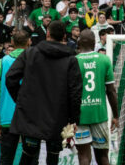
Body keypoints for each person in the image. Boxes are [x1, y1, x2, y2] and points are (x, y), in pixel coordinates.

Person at [6, 20, 83, 165]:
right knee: (53, 157)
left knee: (28, 154)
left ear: (47, 33)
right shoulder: (71, 59)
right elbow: (75, 92)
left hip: (31, 114)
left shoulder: (30, 53)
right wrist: (74, 119)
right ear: (64, 36)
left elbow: (10, 78)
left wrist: (21, 101)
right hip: (58, 116)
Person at [75, 30, 120, 165]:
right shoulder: (104, 59)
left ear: (78, 43)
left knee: (83, 156)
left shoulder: (73, 61)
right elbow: (111, 91)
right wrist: (116, 115)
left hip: (80, 116)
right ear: (95, 42)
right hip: (99, 115)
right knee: (103, 157)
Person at [0, 30, 29, 165]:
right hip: (30, 118)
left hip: (7, 117)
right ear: (29, 42)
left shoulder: (1, 63)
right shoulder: (35, 60)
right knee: (31, 158)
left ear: (12, 43)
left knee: (6, 159)